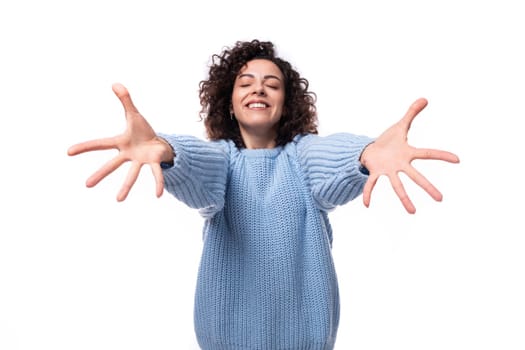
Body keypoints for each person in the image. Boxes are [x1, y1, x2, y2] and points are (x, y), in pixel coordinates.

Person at [68, 39, 459, 350]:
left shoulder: (303, 159)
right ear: (231, 104)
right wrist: (165, 150)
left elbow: (333, 159)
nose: (259, 88)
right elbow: (197, 164)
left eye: (272, 84)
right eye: (246, 82)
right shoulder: (222, 164)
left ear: (286, 104)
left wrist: (366, 153)